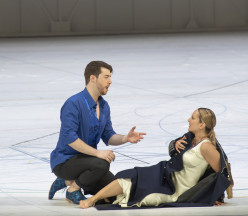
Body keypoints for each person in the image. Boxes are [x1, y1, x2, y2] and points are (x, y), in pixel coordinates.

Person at [80, 108, 232, 209]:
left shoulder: (207, 147)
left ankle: (93, 199)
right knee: (130, 174)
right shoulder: (190, 137)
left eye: (192, 118)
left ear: (201, 125)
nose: (188, 119)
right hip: (165, 173)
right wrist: (174, 144)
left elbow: (221, 173)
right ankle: (97, 197)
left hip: (173, 188)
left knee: (133, 183)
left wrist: (216, 196)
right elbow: (174, 153)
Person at [49, 61, 146, 204]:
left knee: (114, 193)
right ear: (92, 78)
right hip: (65, 161)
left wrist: (126, 138)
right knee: (101, 163)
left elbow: (109, 136)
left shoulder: (104, 106)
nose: (110, 81)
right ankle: (73, 189)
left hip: (88, 162)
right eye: (106, 77)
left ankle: (69, 180)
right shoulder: (73, 103)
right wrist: (97, 153)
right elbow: (69, 138)